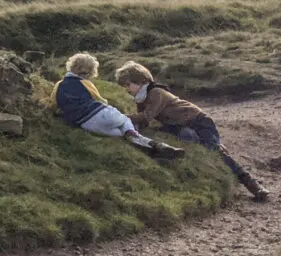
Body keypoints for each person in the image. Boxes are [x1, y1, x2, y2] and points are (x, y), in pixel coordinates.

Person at [115, 61, 269, 201]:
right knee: (195, 143)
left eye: (128, 85)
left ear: (141, 80)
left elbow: (146, 117)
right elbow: (143, 122)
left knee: (213, 150)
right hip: (180, 125)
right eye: (124, 86)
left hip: (199, 121)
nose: (126, 89)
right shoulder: (141, 99)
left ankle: (251, 183)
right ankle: (217, 153)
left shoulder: (156, 93)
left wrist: (119, 117)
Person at [52, 53, 184, 159]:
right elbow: (99, 99)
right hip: (99, 113)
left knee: (119, 134)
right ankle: (148, 141)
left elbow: (53, 101)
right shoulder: (85, 83)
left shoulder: (59, 84)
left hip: (85, 123)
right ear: (88, 73)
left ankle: (150, 148)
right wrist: (107, 105)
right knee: (125, 121)